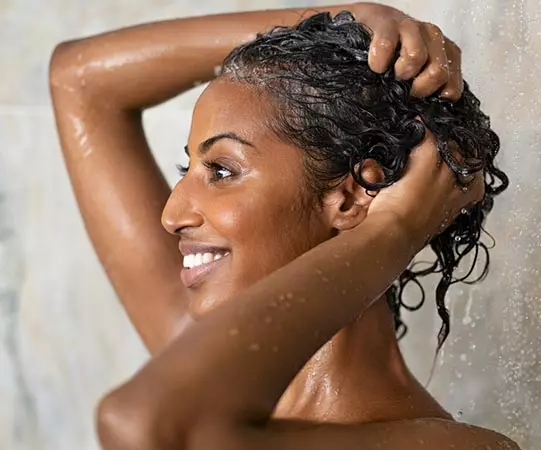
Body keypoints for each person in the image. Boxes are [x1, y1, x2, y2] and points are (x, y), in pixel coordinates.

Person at [49, 2, 515, 449]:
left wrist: (393, 229)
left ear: (351, 197)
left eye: (222, 171)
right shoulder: (199, 368)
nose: (171, 216)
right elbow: (79, 81)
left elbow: (146, 424)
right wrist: (335, 21)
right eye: (186, 168)